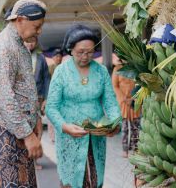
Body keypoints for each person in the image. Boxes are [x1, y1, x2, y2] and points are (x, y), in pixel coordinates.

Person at [45, 24, 121, 188]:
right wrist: (64, 126)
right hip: (69, 137)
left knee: (94, 179)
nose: (85, 56)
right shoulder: (61, 72)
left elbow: (110, 101)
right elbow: (51, 107)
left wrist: (115, 123)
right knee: (71, 181)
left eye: (90, 52)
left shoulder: (100, 71)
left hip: (96, 136)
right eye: (80, 52)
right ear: (71, 49)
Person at [0, 0, 46, 187]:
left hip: (16, 128)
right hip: (6, 130)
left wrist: (35, 118)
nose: (39, 31)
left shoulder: (17, 44)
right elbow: (5, 99)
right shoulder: (4, 48)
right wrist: (27, 135)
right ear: (20, 20)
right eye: (37, 26)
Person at [24, 36, 50, 170]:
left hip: (38, 100)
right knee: (26, 131)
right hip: (22, 103)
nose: (30, 44)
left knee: (38, 130)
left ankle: (34, 161)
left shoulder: (41, 59)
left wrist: (46, 98)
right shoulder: (18, 56)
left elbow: (46, 79)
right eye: (27, 41)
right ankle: (25, 160)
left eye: (33, 41)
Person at [112, 63, 141, 158]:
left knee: (135, 127)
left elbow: (140, 84)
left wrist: (133, 99)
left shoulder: (136, 67)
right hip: (123, 102)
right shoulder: (117, 68)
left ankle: (136, 148)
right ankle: (125, 149)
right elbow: (115, 86)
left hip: (135, 101)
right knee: (125, 127)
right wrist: (123, 98)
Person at [47, 48, 63, 143]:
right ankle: (53, 137)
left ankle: (60, 135)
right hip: (51, 95)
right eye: (56, 56)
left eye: (60, 56)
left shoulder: (65, 68)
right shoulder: (50, 68)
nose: (58, 58)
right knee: (51, 116)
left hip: (62, 96)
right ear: (53, 58)